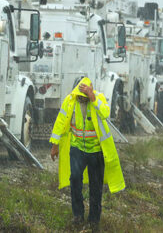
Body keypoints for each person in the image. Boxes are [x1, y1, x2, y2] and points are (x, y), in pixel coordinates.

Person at [50, 77, 125, 231]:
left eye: (84, 95)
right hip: (77, 149)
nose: (81, 98)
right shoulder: (70, 101)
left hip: (96, 151)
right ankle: (78, 215)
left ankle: (94, 220)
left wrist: (92, 97)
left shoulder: (98, 98)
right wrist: (54, 145)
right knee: (75, 179)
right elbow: (60, 121)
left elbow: (105, 113)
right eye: (80, 94)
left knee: (95, 187)